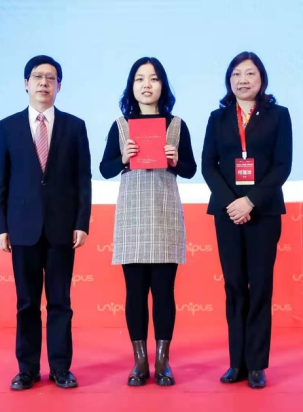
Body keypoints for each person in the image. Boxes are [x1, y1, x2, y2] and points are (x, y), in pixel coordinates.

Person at [0, 55, 92, 391]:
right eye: (38, 77)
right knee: (27, 304)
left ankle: (61, 369)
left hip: (62, 228)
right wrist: (1, 227)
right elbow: (0, 181)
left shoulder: (75, 127)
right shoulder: (7, 127)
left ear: (59, 86)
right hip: (22, 228)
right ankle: (27, 370)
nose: (44, 83)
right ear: (26, 83)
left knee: (61, 303)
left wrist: (82, 222)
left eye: (51, 78)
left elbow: (83, 180)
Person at [99, 57, 196, 387]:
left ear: (162, 85)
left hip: (165, 215)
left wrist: (176, 160)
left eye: (153, 79)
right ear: (132, 86)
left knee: (165, 292)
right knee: (135, 292)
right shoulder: (120, 126)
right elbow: (105, 169)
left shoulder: (177, 125)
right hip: (132, 217)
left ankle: (163, 361)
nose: (146, 85)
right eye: (140, 79)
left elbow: (190, 170)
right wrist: (123, 157)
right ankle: (140, 361)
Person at [201, 51, 293, 389]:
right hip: (227, 213)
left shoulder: (278, 115)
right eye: (236, 74)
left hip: (263, 212)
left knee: (260, 286)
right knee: (234, 286)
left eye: (250, 73)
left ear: (262, 79)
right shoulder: (218, 118)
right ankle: (236, 362)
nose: (243, 80)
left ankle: (256, 364)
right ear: (229, 80)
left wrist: (251, 201)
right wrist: (232, 203)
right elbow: (208, 165)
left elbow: (282, 165)